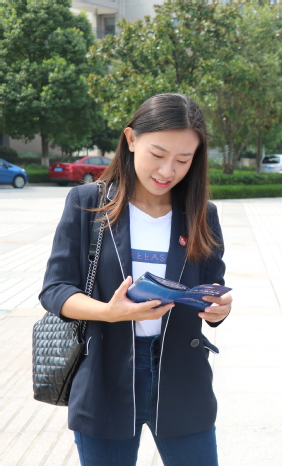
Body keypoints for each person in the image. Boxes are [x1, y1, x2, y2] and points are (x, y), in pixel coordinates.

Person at [39, 93, 231, 466]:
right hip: (104, 376)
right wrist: (109, 312)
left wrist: (219, 309)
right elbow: (55, 289)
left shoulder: (201, 214)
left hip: (182, 377)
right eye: (157, 154)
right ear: (131, 139)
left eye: (183, 160)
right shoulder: (88, 203)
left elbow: (212, 288)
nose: (167, 171)